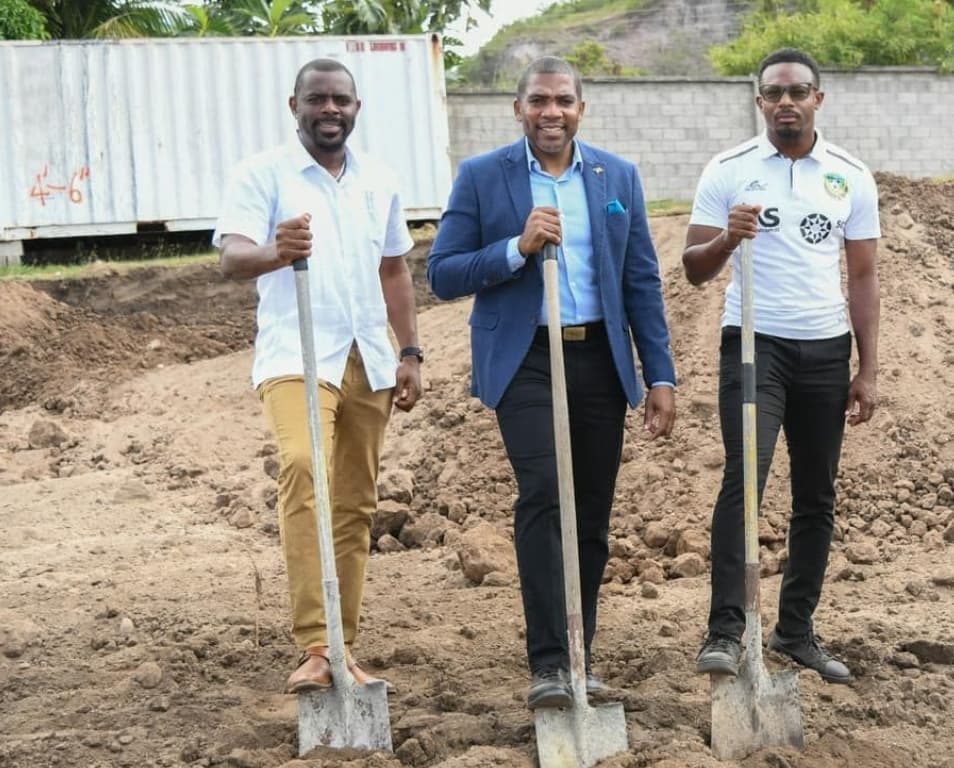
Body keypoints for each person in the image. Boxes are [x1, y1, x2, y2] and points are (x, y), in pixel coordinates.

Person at [428, 56, 677, 709]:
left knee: (591, 513)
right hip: (525, 358)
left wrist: (661, 374)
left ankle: (580, 654)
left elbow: (642, 280)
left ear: (580, 109)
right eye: (538, 100)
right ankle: (547, 663)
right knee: (545, 493)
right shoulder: (484, 178)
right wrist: (517, 246)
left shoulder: (615, 176)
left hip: (597, 354)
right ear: (518, 109)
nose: (551, 111)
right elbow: (444, 272)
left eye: (563, 100)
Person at [213, 58, 422, 694]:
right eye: (317, 100)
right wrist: (276, 251)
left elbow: (394, 270)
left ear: (356, 108)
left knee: (357, 501)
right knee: (304, 469)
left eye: (342, 100)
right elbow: (230, 257)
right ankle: (313, 643)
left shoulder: (378, 179)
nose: (330, 109)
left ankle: (343, 645)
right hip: (297, 355)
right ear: (294, 105)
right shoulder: (262, 174)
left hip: (369, 357)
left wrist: (410, 351)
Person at [684, 48, 880, 684]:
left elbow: (864, 275)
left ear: (818, 99)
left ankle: (795, 630)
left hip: (825, 350)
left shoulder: (849, 175)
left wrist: (867, 367)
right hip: (753, 345)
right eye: (774, 92)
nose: (786, 101)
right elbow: (693, 268)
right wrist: (727, 238)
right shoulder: (729, 169)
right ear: (759, 100)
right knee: (746, 478)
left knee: (816, 495)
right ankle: (726, 630)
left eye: (799, 91)